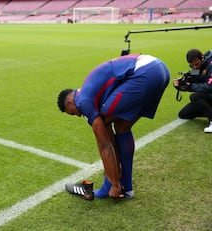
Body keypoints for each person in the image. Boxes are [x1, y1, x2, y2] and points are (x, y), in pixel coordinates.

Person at [57, 54, 170, 200]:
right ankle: (127, 189)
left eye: (72, 114)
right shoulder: (88, 92)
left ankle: (112, 186)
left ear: (70, 103)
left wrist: (114, 184)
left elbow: (106, 145)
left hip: (145, 73)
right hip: (160, 69)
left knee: (103, 125)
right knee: (122, 127)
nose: (77, 116)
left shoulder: (82, 101)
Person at [174, 49, 212, 133]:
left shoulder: (211, 65)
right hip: (208, 96)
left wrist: (189, 86)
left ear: (202, 58)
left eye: (196, 64)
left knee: (195, 97)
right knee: (184, 114)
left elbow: (210, 86)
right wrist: (183, 81)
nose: (195, 67)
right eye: (192, 65)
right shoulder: (197, 66)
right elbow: (194, 77)